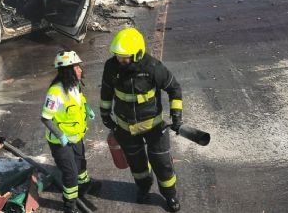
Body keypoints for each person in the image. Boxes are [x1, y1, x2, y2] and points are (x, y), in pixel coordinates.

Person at [100, 28, 183, 212]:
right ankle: (143, 187)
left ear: (137, 54)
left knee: (162, 163)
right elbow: (106, 92)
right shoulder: (111, 67)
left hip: (154, 127)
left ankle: (170, 195)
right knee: (137, 165)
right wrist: (105, 115)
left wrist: (176, 114)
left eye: (124, 57)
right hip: (126, 128)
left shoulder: (152, 67)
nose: (120, 60)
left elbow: (174, 89)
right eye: (118, 56)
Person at [41, 51, 99, 213]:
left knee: (80, 164)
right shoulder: (56, 92)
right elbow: (45, 118)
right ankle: (69, 205)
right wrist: (61, 136)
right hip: (60, 142)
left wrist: (87, 108)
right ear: (67, 70)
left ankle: (85, 186)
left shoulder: (75, 85)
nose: (80, 69)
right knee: (70, 174)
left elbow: (79, 101)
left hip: (76, 136)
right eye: (76, 67)